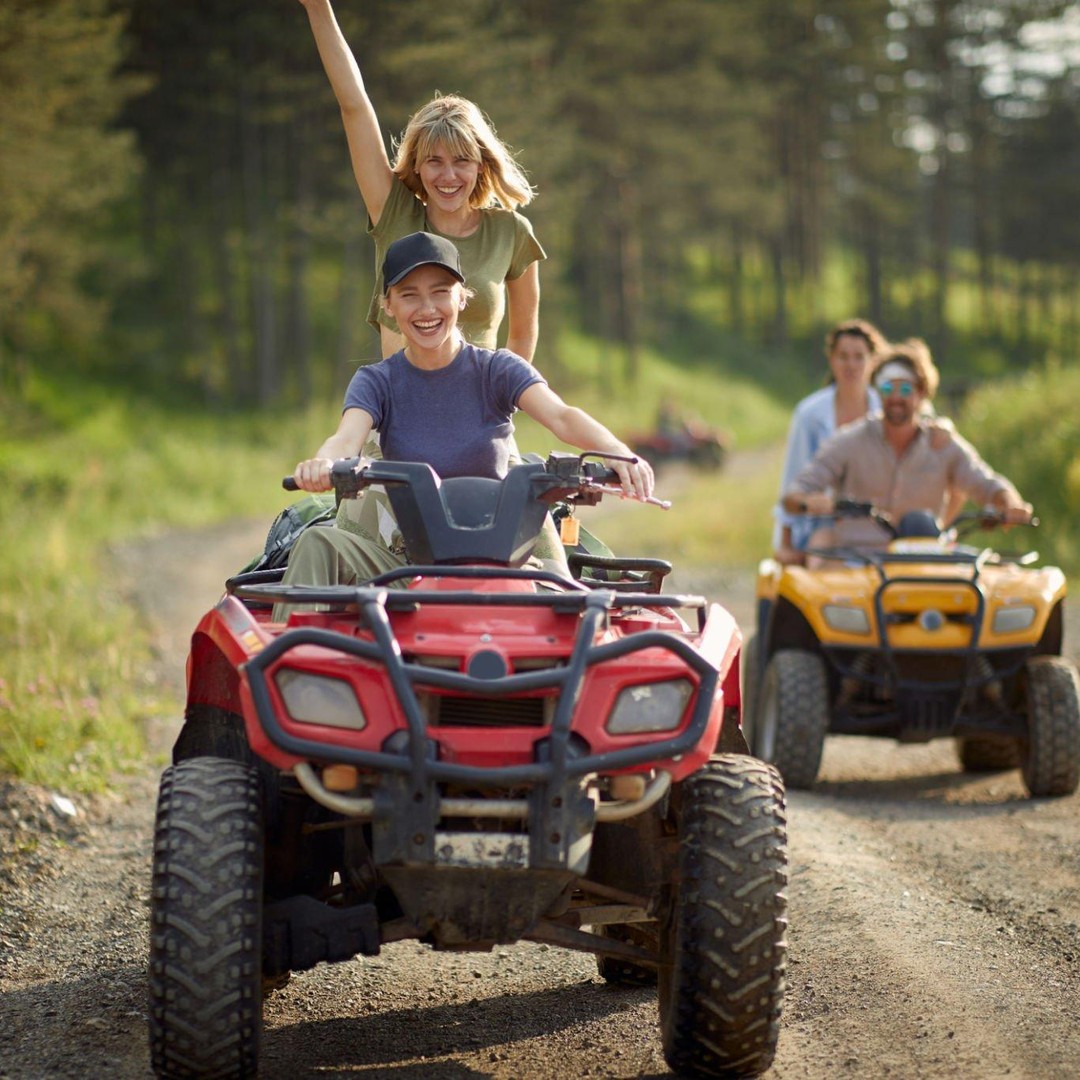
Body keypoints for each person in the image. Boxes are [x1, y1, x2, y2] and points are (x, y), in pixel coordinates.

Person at [275, 232, 652, 608]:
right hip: (410, 570)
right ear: (387, 305)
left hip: (504, 567)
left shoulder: (496, 369)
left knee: (580, 613)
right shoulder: (378, 381)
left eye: (440, 291)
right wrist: (325, 463)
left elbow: (561, 416)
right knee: (317, 543)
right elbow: (347, 438)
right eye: (409, 295)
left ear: (462, 296)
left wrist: (617, 451)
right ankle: (295, 662)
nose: (427, 309)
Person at [297, 0, 544, 361]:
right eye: (434, 161)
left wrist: (505, 400)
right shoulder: (395, 213)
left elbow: (523, 333)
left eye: (461, 161)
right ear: (417, 165)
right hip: (405, 412)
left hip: (480, 413)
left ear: (480, 165)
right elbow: (354, 105)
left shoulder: (511, 232)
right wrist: (318, 8)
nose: (448, 176)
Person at [781, 339, 1033, 554]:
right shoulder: (849, 441)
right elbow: (794, 495)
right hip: (857, 564)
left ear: (922, 392)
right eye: (888, 387)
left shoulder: (942, 443)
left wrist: (1009, 503)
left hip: (925, 561)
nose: (896, 397)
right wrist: (808, 502)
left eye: (905, 388)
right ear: (877, 392)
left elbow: (985, 482)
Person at [772, 319, 888, 565]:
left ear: (872, 361)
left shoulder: (886, 410)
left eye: (859, 357)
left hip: (880, 524)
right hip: (823, 523)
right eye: (843, 356)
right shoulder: (809, 414)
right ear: (831, 360)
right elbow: (793, 479)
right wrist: (783, 544)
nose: (851, 365)